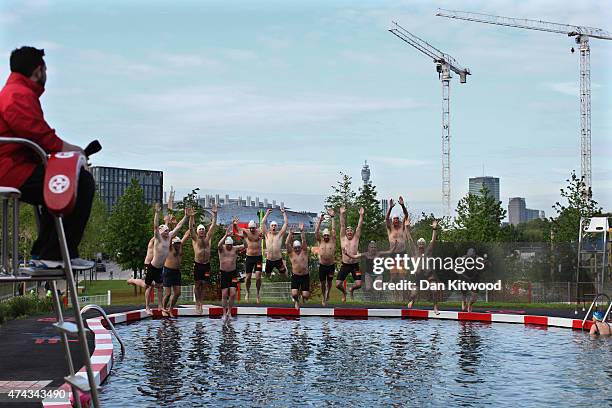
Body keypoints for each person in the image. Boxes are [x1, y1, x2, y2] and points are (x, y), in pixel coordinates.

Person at [0, 46, 94, 269]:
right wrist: (76, 152)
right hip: (10, 170)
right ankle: (56, 254)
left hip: (15, 166)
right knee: (80, 182)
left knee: (59, 184)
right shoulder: (18, 95)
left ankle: (47, 252)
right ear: (38, 70)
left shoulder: (15, 92)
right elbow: (40, 136)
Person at [146, 204, 187, 315]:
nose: (167, 232)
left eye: (167, 231)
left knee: (159, 287)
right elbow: (155, 227)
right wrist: (156, 213)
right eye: (165, 231)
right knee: (148, 287)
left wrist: (186, 216)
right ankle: (147, 307)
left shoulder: (169, 237)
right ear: (160, 232)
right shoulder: (158, 238)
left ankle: (161, 307)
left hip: (160, 268)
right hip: (153, 266)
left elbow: (178, 226)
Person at [406, 219, 439, 314]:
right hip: (418, 276)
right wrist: (407, 228)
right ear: (418, 245)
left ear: (424, 245)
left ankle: (435, 307)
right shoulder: (414, 251)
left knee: (435, 290)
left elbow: (433, 241)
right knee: (413, 294)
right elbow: (409, 239)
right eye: (419, 244)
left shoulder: (428, 251)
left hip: (429, 274)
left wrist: (434, 229)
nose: (421, 246)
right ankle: (412, 300)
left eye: (422, 244)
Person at [189, 206, 217, 314]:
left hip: (206, 265)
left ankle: (201, 302)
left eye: (202, 229)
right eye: (200, 229)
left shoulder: (207, 238)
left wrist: (214, 215)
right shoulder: (195, 239)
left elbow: (213, 226)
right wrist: (191, 217)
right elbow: (191, 229)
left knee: (204, 284)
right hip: (198, 264)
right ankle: (197, 303)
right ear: (198, 231)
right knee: (197, 284)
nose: (201, 231)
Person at [337, 206, 364, 302]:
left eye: (350, 230)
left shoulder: (355, 238)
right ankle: (344, 292)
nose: (349, 232)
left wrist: (361, 215)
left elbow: (359, 226)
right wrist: (342, 214)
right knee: (337, 284)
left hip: (355, 266)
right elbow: (342, 225)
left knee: (359, 284)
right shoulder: (342, 238)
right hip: (345, 265)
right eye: (347, 231)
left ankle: (351, 289)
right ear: (345, 232)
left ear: (353, 232)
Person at [218, 226, 245, 321]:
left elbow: (245, 246)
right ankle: (224, 313)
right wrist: (225, 235)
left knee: (233, 293)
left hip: (233, 273)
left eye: (230, 245)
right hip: (224, 273)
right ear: (225, 244)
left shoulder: (235, 248)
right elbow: (218, 244)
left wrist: (243, 237)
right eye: (227, 245)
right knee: (224, 294)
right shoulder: (222, 249)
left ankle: (229, 312)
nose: (229, 247)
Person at [234, 217, 264, 303]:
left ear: (255, 227)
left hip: (258, 257)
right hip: (249, 257)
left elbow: (264, 224)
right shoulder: (246, 232)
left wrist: (267, 214)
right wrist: (235, 224)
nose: (252, 229)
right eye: (250, 228)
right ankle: (247, 292)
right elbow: (238, 229)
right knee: (248, 278)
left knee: (258, 277)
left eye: (253, 228)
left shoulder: (259, 231)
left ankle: (258, 294)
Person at [162, 229, 190, 318]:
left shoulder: (180, 246)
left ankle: (170, 309)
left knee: (177, 293)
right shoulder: (170, 248)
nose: (177, 245)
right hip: (168, 271)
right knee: (168, 293)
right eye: (176, 243)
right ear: (173, 244)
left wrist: (191, 222)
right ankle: (163, 308)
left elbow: (186, 235)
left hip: (177, 272)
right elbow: (170, 237)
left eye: (178, 243)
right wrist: (170, 226)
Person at [314, 209, 336, 306]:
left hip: (331, 266)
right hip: (322, 266)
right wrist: (320, 221)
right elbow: (316, 232)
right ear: (323, 236)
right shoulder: (320, 241)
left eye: (328, 235)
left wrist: (332, 217)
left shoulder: (333, 241)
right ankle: (323, 297)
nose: (326, 236)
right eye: (325, 235)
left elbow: (334, 229)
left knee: (329, 282)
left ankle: (328, 292)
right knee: (323, 283)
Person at [286, 223, 310, 310]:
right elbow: (286, 243)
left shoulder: (304, 252)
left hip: (305, 276)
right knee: (294, 294)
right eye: (295, 248)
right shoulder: (291, 254)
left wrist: (302, 231)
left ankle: (303, 297)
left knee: (306, 296)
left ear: (301, 247)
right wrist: (290, 234)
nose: (297, 249)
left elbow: (304, 240)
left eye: (298, 247)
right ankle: (296, 301)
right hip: (295, 276)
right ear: (293, 248)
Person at [262, 207, 288, 276]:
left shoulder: (280, 235)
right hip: (269, 260)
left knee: (284, 275)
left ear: (277, 227)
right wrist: (267, 213)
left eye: (275, 226)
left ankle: (285, 286)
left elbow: (286, 223)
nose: (273, 227)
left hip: (278, 260)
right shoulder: (267, 234)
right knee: (267, 275)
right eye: (272, 225)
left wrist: (283, 213)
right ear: (270, 227)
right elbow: (263, 223)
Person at [459, 248, 480, 313]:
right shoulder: (463, 259)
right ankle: (464, 303)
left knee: (474, 296)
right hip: (465, 277)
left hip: (474, 278)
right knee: (464, 292)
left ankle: (469, 304)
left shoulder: (478, 259)